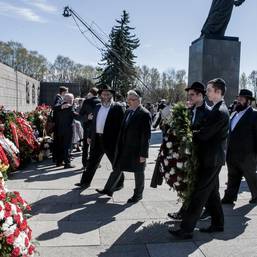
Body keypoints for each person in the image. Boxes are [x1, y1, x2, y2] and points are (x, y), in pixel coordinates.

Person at [169, 78, 229, 239]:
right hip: (211, 158)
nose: (207, 92)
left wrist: (186, 135)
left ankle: (186, 229)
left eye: (209, 90)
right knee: (212, 194)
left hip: (212, 159)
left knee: (199, 194)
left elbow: (204, 134)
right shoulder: (218, 108)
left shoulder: (220, 111)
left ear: (217, 91)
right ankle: (218, 224)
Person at [96, 89, 152, 203]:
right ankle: (108, 189)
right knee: (117, 168)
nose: (129, 101)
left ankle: (138, 195)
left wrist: (143, 154)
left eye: (132, 99)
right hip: (124, 148)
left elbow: (146, 136)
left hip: (136, 149)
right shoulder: (127, 111)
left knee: (139, 172)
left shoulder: (144, 114)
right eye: (128, 99)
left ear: (139, 100)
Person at [167, 82, 210, 220]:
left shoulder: (208, 112)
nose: (189, 97)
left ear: (200, 95)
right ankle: (211, 212)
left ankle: (186, 213)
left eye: (192, 94)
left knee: (197, 185)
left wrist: (190, 136)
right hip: (189, 154)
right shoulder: (189, 110)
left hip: (202, 155)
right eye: (189, 94)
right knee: (203, 187)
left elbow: (206, 134)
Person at [75, 85, 125, 189]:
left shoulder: (117, 107)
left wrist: (120, 140)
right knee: (92, 162)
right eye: (103, 94)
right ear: (100, 95)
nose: (105, 96)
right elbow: (92, 123)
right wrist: (89, 136)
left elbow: (122, 125)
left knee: (115, 163)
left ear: (111, 95)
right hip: (96, 139)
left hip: (110, 140)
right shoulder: (97, 106)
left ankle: (119, 184)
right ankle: (85, 182)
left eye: (108, 94)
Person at [222, 89, 257, 204]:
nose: (238, 100)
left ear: (248, 101)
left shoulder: (254, 114)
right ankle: (229, 197)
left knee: (251, 177)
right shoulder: (234, 114)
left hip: (247, 155)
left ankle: (256, 195)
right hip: (232, 154)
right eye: (238, 98)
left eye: (241, 99)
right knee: (232, 176)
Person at [79, 88, 101, 169]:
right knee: (95, 146)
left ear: (90, 93)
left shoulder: (86, 101)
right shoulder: (100, 102)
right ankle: (94, 163)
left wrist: (87, 117)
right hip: (97, 127)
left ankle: (84, 164)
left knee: (85, 146)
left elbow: (80, 115)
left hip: (87, 126)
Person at [55, 93, 77, 169]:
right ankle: (67, 163)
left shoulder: (59, 107)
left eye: (73, 99)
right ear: (68, 99)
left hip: (60, 129)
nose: (72, 100)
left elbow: (55, 108)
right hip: (68, 130)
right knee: (67, 146)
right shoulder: (70, 107)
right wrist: (85, 115)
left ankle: (59, 162)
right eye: (72, 99)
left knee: (60, 146)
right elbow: (75, 115)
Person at [52, 86, 68, 163]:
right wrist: (62, 106)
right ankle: (58, 159)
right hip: (58, 123)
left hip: (58, 123)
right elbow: (55, 107)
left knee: (58, 142)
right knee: (58, 142)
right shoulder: (58, 98)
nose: (67, 94)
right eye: (66, 92)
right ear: (63, 92)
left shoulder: (60, 98)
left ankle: (57, 159)